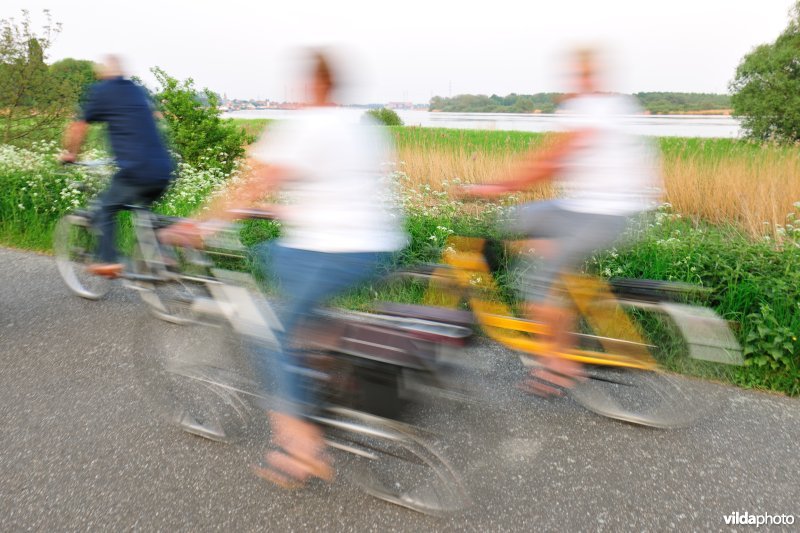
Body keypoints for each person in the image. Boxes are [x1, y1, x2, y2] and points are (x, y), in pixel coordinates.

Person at [162, 49, 407, 487]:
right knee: (270, 257)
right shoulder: (363, 125)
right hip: (377, 247)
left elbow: (252, 181)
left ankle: (299, 444)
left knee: (267, 333)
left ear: (310, 86)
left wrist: (201, 225)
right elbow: (344, 189)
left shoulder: (304, 125)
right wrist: (285, 210)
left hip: (329, 252)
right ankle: (324, 352)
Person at [466, 48, 660, 396]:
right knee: (517, 219)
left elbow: (553, 159)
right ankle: (560, 293)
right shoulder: (614, 106)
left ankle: (559, 366)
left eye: (575, 75)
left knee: (533, 284)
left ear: (586, 77)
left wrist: (500, 185)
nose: (569, 83)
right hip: (589, 207)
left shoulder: (590, 109)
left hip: (601, 215)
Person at [61, 55, 175, 277]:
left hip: (136, 169)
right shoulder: (138, 90)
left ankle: (108, 261)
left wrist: (71, 154)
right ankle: (162, 256)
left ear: (103, 74)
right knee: (144, 209)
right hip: (164, 168)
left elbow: (79, 126)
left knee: (106, 207)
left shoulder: (102, 90)